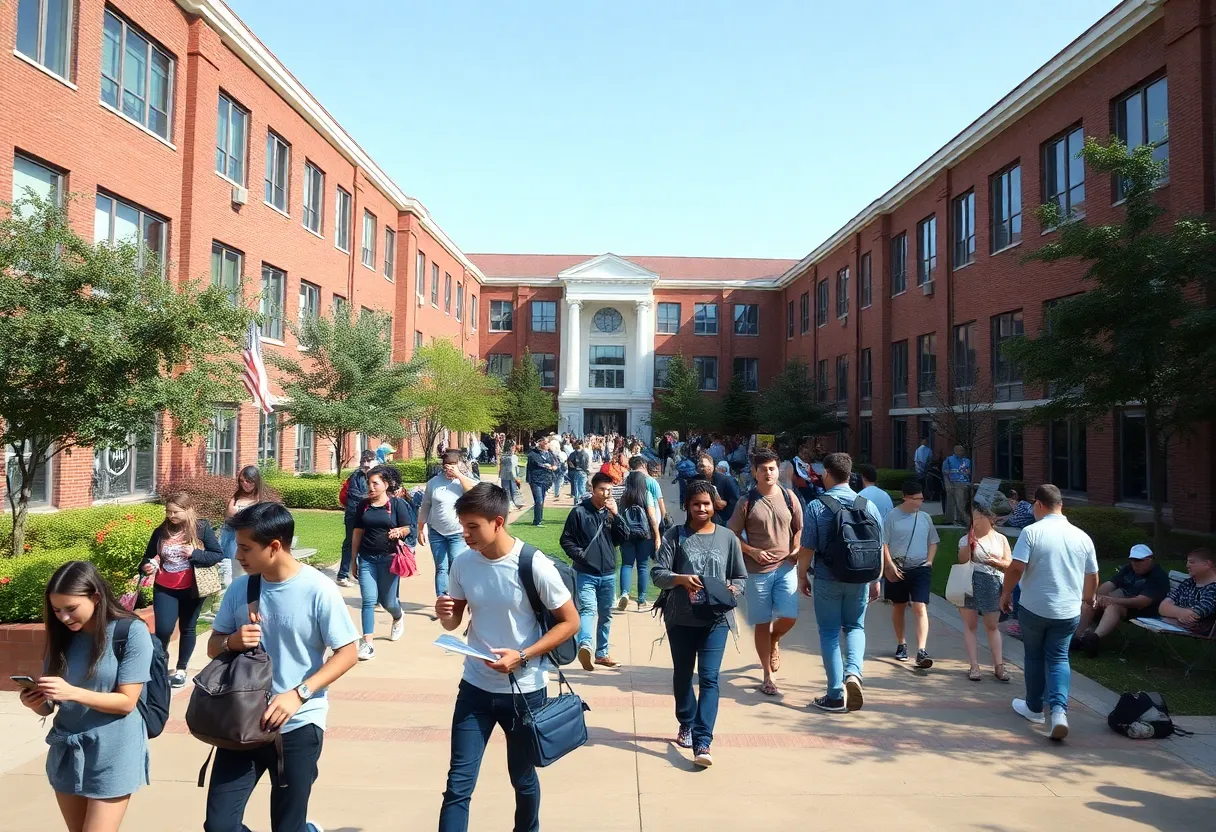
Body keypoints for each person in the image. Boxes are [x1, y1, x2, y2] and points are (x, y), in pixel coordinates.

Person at [204, 503, 358, 832]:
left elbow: (348, 651)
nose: (238, 555)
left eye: (245, 548)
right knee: (219, 825)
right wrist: (233, 641)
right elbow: (213, 646)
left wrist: (298, 694)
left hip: (298, 724)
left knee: (287, 826)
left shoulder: (319, 590)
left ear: (274, 546)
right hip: (242, 723)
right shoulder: (241, 589)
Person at [436, 484, 579, 832]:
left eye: (473, 527)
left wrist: (523, 655)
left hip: (525, 692)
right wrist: (445, 613)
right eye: (462, 525)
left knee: (523, 779)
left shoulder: (533, 564)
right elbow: (455, 621)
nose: (465, 534)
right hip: (475, 689)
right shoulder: (463, 563)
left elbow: (571, 622)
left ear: (497, 522)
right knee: (458, 784)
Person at [20, 561, 153, 832]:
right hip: (68, 747)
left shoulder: (130, 632)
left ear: (95, 597)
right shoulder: (62, 637)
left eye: (71, 609)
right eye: (57, 610)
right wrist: (37, 704)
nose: (64, 618)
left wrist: (73, 692)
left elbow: (127, 702)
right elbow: (52, 705)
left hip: (114, 749)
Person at [651, 480, 746, 767]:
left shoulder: (728, 537)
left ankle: (703, 740)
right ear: (687, 507)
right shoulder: (675, 535)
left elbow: (740, 577)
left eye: (706, 503)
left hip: (716, 620)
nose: (701, 508)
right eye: (696, 504)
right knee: (683, 674)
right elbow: (657, 573)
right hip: (680, 618)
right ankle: (686, 722)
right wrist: (680, 579)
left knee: (709, 678)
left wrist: (734, 590)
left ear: (714, 504)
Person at [1000, 485, 1097, 741]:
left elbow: (1015, 568)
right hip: (1067, 609)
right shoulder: (1082, 536)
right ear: (1061, 504)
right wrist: (1088, 599)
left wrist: (1005, 593)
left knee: (1034, 656)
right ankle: (1058, 712)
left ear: (1039, 505)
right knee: (1058, 658)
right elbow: (1092, 575)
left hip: (1034, 606)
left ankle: (1034, 707)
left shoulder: (1032, 532)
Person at [799, 452, 884, 713]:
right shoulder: (867, 505)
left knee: (829, 633)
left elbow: (807, 547)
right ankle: (854, 675)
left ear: (826, 473)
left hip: (827, 577)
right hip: (860, 577)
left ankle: (835, 694)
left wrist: (802, 575)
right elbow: (879, 545)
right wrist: (876, 578)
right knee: (855, 627)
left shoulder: (816, 506)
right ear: (850, 475)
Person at [728, 449, 803, 697]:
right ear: (754, 472)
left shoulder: (789, 497)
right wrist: (751, 551)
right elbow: (733, 535)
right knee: (761, 622)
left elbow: (800, 529)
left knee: (789, 616)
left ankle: (775, 639)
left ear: (777, 469)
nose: (768, 473)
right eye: (763, 469)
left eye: (772, 468)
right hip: (757, 571)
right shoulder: (746, 502)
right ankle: (767, 676)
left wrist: (795, 548)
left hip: (785, 567)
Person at [139, 492, 224, 688]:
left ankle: (181, 669)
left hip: (192, 588)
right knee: (163, 629)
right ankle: (159, 667)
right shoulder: (161, 531)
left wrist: (195, 553)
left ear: (188, 510)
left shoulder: (201, 528)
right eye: (168, 511)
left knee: (188, 627)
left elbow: (216, 554)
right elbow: (146, 557)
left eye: (175, 512)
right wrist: (147, 565)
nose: (171, 516)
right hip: (165, 587)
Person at [560, 472, 627, 670]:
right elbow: (566, 540)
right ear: (592, 489)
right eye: (602, 490)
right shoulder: (579, 512)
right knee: (588, 609)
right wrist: (580, 555)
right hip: (585, 573)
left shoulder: (611, 512)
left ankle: (602, 654)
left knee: (606, 614)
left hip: (608, 573)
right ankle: (586, 644)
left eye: (609, 490)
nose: (606, 494)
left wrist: (616, 515)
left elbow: (623, 537)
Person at [350, 465, 417, 661]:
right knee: (369, 600)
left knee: (388, 602)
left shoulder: (397, 505)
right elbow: (357, 533)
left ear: (385, 484)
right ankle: (368, 643)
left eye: (375, 483)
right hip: (367, 559)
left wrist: (400, 531)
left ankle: (397, 616)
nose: (370, 488)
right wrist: (353, 560)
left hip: (389, 560)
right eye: (368, 483)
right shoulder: (363, 506)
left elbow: (408, 527)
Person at [1073, 543, 1169, 657]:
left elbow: (1142, 602)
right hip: (1123, 601)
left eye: (1139, 561)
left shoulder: (1158, 577)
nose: (1135, 564)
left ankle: (1093, 639)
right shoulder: (1129, 569)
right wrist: (1094, 597)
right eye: (1133, 560)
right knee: (1091, 602)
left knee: (1113, 607)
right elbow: (1110, 584)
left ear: (1150, 560)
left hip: (1144, 610)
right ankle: (1078, 637)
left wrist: (1111, 599)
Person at [882, 481, 940, 669]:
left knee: (920, 606)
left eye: (921, 499)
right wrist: (890, 565)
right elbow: (885, 544)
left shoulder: (924, 518)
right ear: (905, 497)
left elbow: (933, 541)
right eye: (916, 499)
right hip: (898, 567)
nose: (920, 502)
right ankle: (902, 644)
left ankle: (922, 650)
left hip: (920, 568)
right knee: (898, 606)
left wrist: (929, 561)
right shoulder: (892, 517)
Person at [957, 502, 1013, 682]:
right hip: (968, 581)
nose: (977, 521)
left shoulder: (1000, 539)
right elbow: (962, 560)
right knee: (970, 624)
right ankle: (974, 665)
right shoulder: (967, 538)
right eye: (974, 518)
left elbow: (1009, 564)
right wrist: (971, 542)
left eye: (980, 517)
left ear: (990, 519)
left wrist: (996, 562)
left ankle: (999, 665)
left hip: (992, 583)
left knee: (992, 625)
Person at [419, 450, 478, 598]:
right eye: (446, 465)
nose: (449, 468)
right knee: (441, 567)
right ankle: (443, 599)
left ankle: (457, 597)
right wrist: (420, 528)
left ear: (458, 464)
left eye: (453, 465)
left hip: (457, 532)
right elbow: (426, 506)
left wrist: (458, 475)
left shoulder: (463, 481)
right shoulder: (433, 483)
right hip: (437, 532)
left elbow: (472, 494)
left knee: (456, 564)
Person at [617, 469, 661, 613]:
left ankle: (624, 593)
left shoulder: (624, 496)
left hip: (627, 534)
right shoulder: (646, 494)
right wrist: (657, 536)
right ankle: (641, 599)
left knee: (627, 564)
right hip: (644, 535)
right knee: (642, 566)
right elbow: (652, 517)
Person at [336, 450, 376, 588]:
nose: (365, 464)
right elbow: (354, 495)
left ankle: (361, 574)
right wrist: (371, 497)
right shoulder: (355, 476)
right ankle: (342, 575)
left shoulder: (378, 476)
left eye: (368, 461)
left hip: (371, 515)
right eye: (363, 461)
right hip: (354, 515)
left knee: (367, 544)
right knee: (350, 543)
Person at [1158, 548, 1216, 635]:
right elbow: (1162, 607)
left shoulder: (1213, 588)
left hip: (1203, 629)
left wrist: (1174, 611)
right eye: (1187, 562)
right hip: (1177, 623)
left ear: (1207, 564)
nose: (1187, 565)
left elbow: (1195, 615)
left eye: (1192, 562)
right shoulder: (1189, 583)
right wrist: (1182, 613)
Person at [525, 437, 559, 526]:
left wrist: (554, 466)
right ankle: (537, 521)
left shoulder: (550, 454)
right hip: (535, 479)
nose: (548, 444)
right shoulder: (533, 454)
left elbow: (555, 462)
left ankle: (538, 518)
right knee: (539, 500)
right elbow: (537, 463)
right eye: (546, 443)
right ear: (540, 443)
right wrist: (546, 466)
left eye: (548, 443)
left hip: (545, 479)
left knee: (542, 500)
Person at [942, 444, 973, 527]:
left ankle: (964, 520)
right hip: (952, 482)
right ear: (955, 451)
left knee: (961, 502)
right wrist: (947, 485)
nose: (962, 452)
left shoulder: (967, 461)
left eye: (963, 450)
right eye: (960, 450)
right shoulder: (948, 460)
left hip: (963, 483)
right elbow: (945, 473)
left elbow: (969, 472)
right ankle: (949, 519)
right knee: (950, 502)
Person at [498, 441, 523, 507]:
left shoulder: (503, 456)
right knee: (512, 489)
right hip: (511, 475)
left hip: (505, 475)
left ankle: (511, 503)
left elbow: (501, 466)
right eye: (513, 447)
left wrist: (500, 473)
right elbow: (513, 468)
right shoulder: (512, 457)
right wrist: (516, 477)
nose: (515, 448)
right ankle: (513, 503)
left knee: (507, 489)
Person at [567, 439, 591, 503]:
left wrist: (574, 467)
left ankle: (578, 500)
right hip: (581, 472)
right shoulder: (584, 453)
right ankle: (581, 500)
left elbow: (569, 461)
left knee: (578, 487)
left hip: (578, 471)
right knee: (581, 487)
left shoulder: (575, 453)